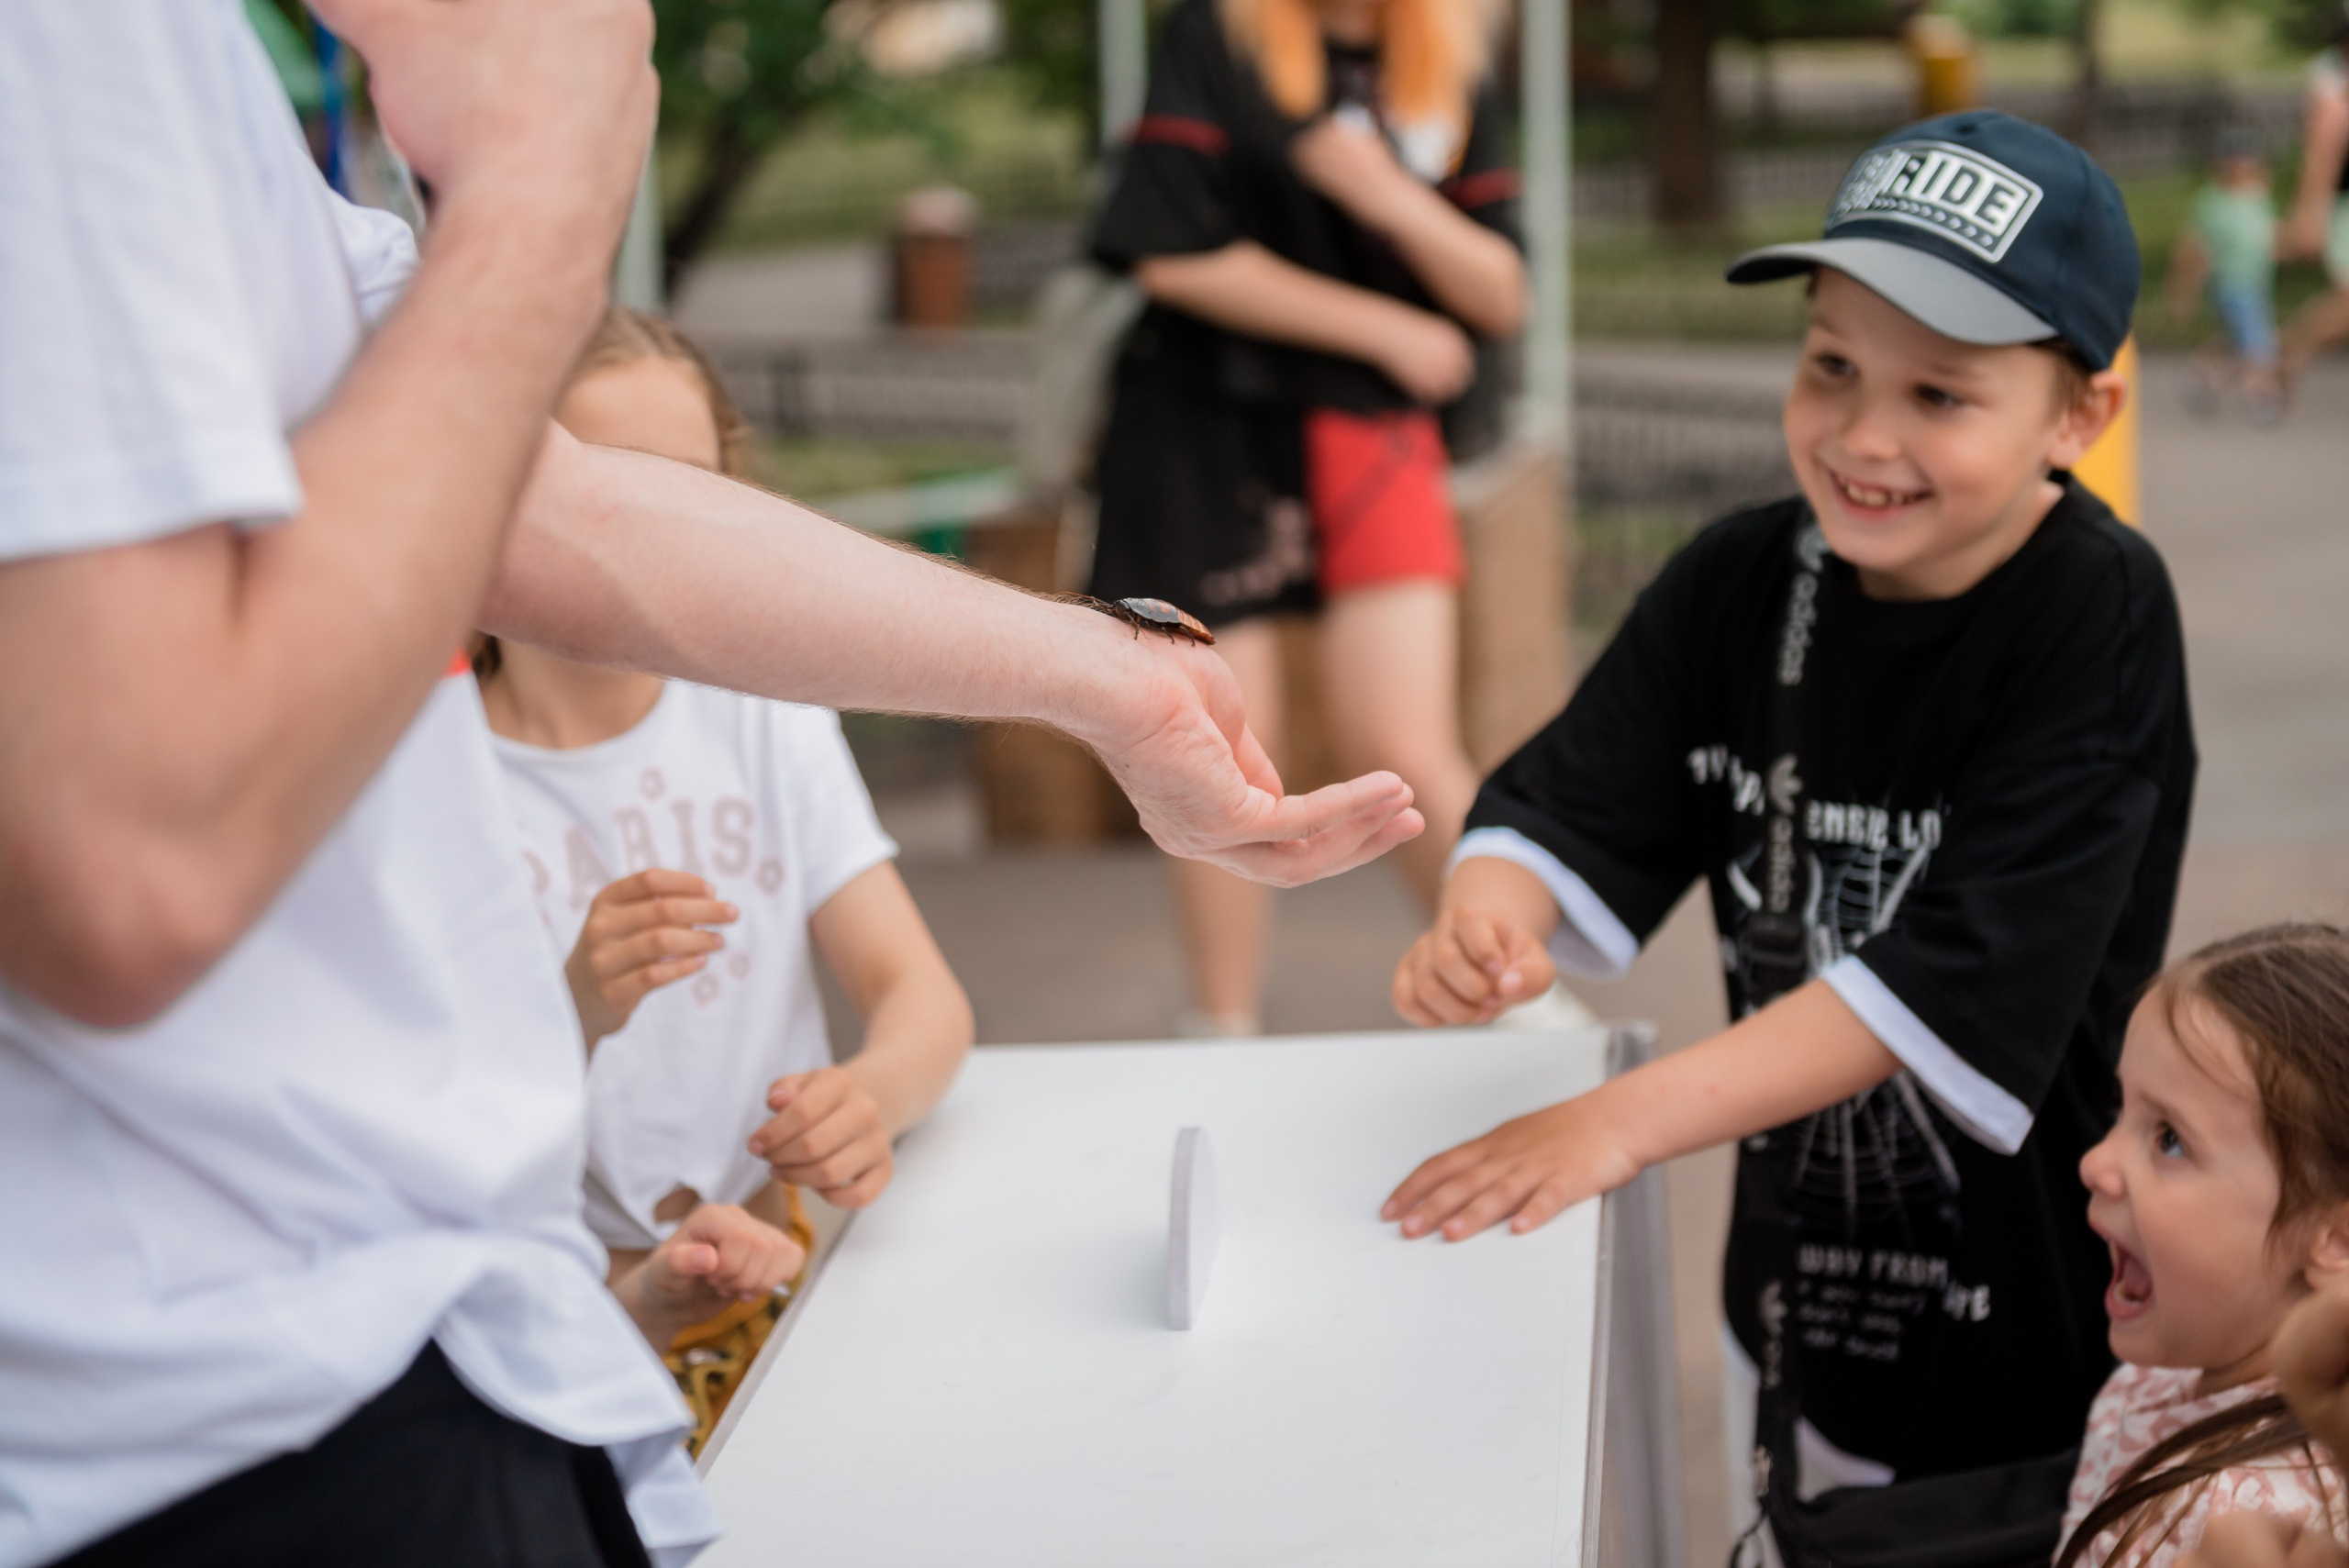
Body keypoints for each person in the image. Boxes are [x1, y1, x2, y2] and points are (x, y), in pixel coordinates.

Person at [0, 3, 1418, 1565]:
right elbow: (131, 859)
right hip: (233, 1424)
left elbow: (560, 512)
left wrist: (1112, 679)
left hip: (429, 1359)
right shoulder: (68, 49)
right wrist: (531, 187)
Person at [1383, 112, 2196, 1549]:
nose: (1865, 436)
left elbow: (1956, 977)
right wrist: (1488, 915)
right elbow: (1567, 796)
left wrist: (1618, 1122)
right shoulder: (1740, 580)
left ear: (2081, 416)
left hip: (2042, 1301)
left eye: (1940, 394)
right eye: (1831, 366)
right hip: (1791, 1280)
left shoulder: (2100, 612)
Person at [478, 308, 974, 1439]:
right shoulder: (432, 775)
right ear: (497, 490)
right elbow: (433, 1115)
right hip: (566, 1334)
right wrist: (572, 1007)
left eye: (697, 492)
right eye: (613, 484)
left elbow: (922, 996)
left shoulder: (760, 712)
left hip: (793, 1296)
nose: (665, 530)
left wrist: (869, 1096)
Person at [1085, 0, 1527, 1035]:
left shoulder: (1451, 58)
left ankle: (1512, 983)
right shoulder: (1219, 34)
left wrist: (1390, 197)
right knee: (1217, 739)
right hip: (1206, 424)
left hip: (1373, 434)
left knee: (1406, 743)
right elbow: (1167, 250)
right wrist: (1384, 326)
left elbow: (1503, 291)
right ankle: (1224, 1026)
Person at [2054, 926, 2349, 1568]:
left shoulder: (2261, 1521)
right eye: (2120, 1109)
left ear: (2337, 1240)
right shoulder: (2157, 1376)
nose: (2094, 1162)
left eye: (2169, 1139)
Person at [2167, 128, 2283, 421]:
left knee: (2236, 342)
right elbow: (2194, 250)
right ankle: (2263, 397)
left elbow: (2269, 237)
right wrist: (2184, 291)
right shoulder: (2212, 202)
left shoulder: (2259, 196)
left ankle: (2204, 378)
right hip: (2231, 284)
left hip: (2257, 282)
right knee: (2258, 341)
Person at [2281, 7, 2349, 383]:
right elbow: (2320, 160)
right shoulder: (2334, 101)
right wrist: (2309, 214)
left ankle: (2274, 353)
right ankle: (2278, 352)